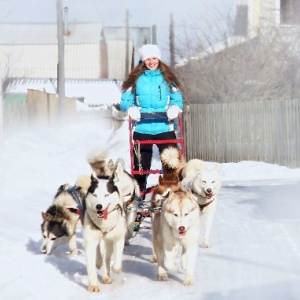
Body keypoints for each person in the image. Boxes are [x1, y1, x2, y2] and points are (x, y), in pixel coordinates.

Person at [120, 44, 184, 195]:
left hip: (165, 127)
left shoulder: (168, 78)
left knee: (171, 167)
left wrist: (175, 108)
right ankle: (139, 195)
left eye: (154, 58)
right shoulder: (135, 79)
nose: (152, 62)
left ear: (159, 59)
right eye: (148, 59)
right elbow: (124, 101)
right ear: (143, 61)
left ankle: (171, 194)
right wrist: (130, 109)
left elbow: (178, 99)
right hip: (142, 129)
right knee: (141, 169)